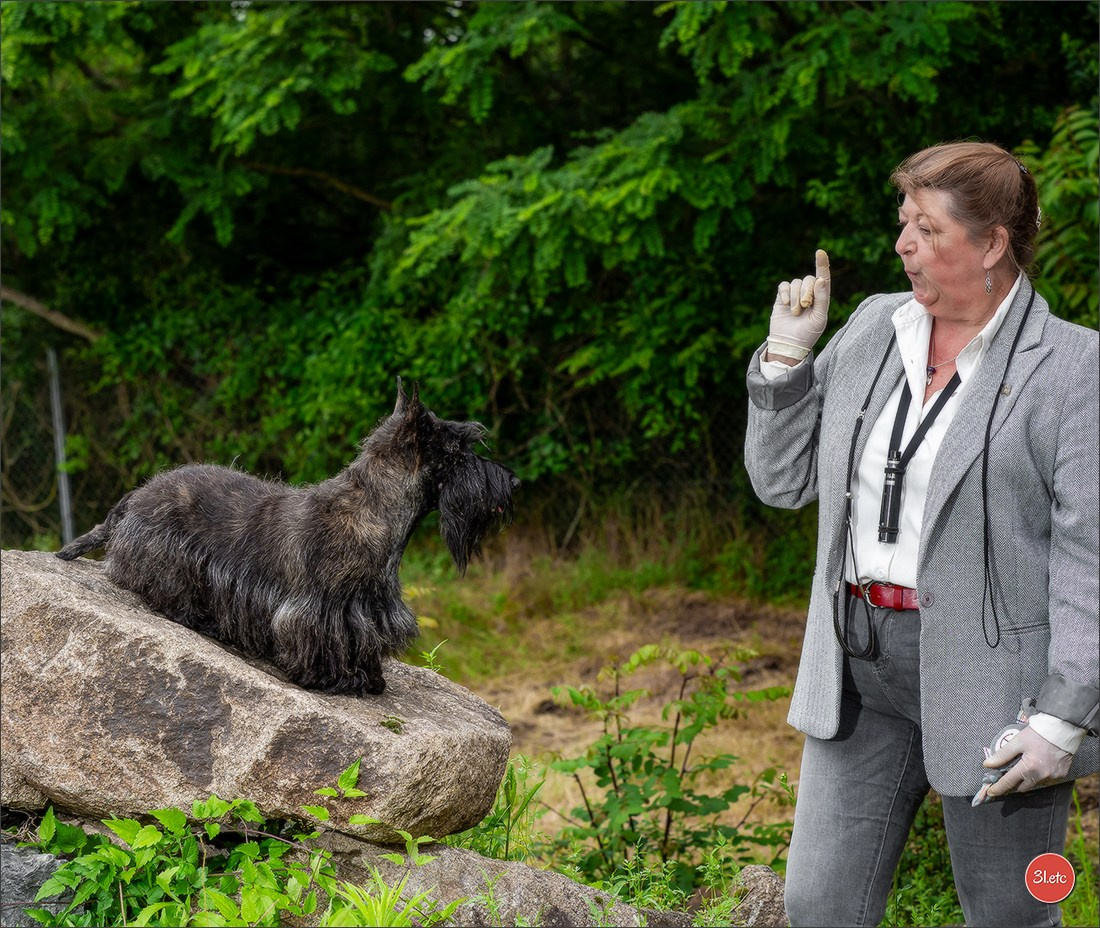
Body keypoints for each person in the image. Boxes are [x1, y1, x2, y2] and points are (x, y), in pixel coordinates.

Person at [743, 140, 1099, 927]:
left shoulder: (1074, 368)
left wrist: (1064, 715)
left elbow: (1090, 560)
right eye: (904, 221)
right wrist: (786, 361)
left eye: (927, 228)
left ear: (993, 243)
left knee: (1012, 915)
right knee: (819, 907)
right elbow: (782, 481)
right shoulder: (876, 326)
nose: (902, 243)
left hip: (1000, 689)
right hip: (856, 667)